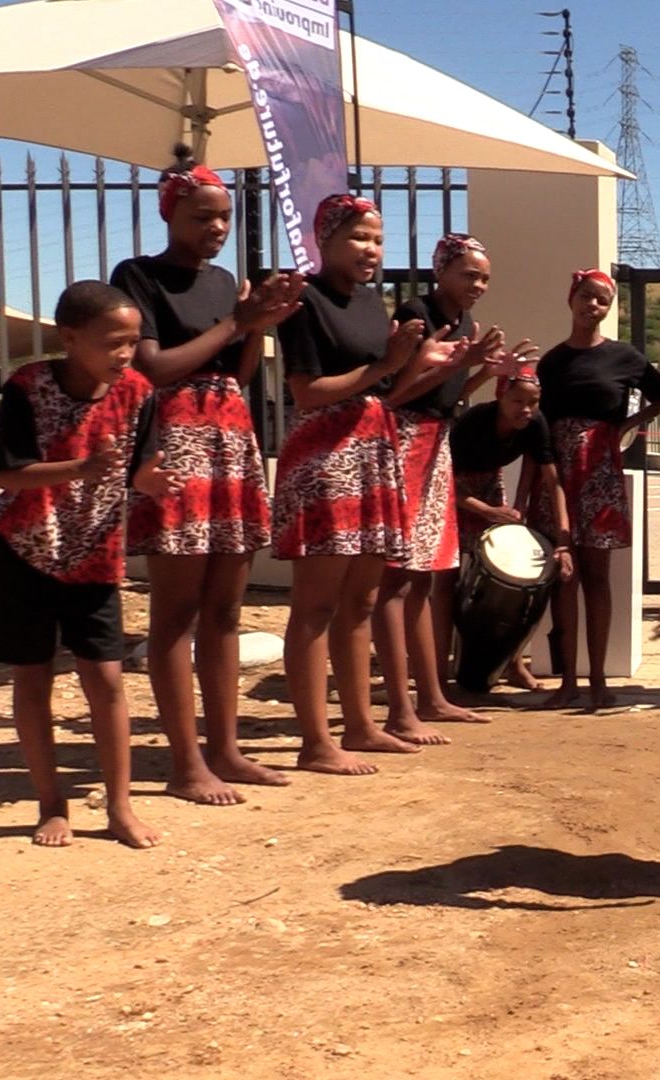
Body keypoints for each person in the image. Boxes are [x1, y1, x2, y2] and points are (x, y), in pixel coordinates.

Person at [112, 149, 303, 804]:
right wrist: (235, 323)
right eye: (202, 217)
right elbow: (154, 370)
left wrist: (259, 327)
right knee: (176, 613)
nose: (216, 228)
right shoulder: (137, 275)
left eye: (223, 217)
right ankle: (186, 761)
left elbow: (241, 376)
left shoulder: (226, 282)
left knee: (226, 609)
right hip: (177, 442)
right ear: (171, 214)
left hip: (230, 440)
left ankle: (226, 748)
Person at [273, 194, 461, 775]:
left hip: (372, 448)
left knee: (361, 600)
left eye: (376, 240)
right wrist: (386, 366)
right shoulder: (304, 300)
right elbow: (307, 392)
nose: (370, 249)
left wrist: (427, 361)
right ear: (323, 239)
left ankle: (359, 726)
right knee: (318, 604)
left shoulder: (371, 305)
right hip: (326, 457)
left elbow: (387, 382)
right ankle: (315, 740)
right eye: (358, 237)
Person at [0, 281, 178, 846]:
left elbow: (136, 471)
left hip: (96, 552)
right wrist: (81, 469)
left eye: (133, 342)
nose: (125, 353)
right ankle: (52, 803)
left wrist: (151, 481)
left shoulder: (139, 393)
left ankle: (119, 807)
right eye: (113, 342)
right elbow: (7, 475)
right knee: (32, 676)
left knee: (106, 680)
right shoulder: (27, 387)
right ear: (70, 338)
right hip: (24, 549)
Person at [374, 234, 517, 743]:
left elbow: (449, 397)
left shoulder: (466, 325)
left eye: (483, 277)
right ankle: (400, 708)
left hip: (437, 445)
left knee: (426, 578)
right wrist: (460, 364)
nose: (477, 285)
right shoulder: (418, 315)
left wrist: (481, 373)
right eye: (468, 274)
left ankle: (432, 697)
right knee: (397, 578)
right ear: (442, 271)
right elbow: (395, 395)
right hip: (405, 444)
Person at [536, 268, 660, 709]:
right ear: (571, 296)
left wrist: (626, 428)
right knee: (564, 577)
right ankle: (567, 682)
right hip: (560, 474)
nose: (592, 306)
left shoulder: (624, 357)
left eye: (602, 301)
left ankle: (597, 681)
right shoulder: (552, 362)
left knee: (596, 577)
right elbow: (541, 424)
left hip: (602, 473)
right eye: (587, 297)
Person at [449, 369, 574, 690]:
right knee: (453, 581)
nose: (526, 409)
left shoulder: (536, 423)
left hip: (491, 483)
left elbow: (552, 480)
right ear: (499, 396)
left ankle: (513, 664)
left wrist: (563, 538)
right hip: (456, 489)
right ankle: (441, 669)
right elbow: (444, 481)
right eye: (517, 400)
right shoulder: (473, 423)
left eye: (533, 402)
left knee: (509, 588)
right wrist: (487, 510)